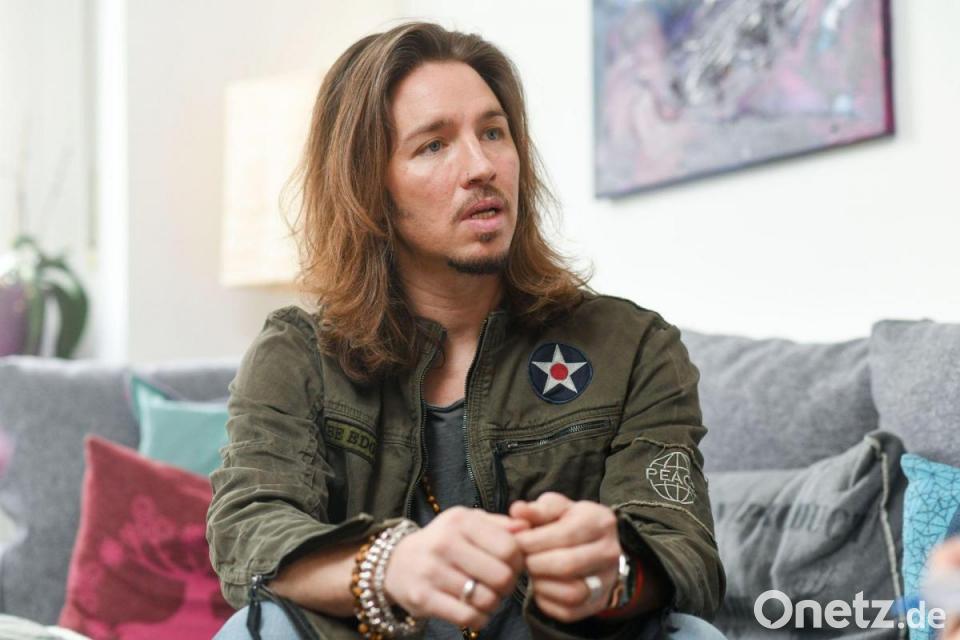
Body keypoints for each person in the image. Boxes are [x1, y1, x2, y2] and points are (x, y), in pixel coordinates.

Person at [207, 21, 726, 640]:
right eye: (433, 145)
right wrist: (387, 564)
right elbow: (249, 525)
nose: (482, 166)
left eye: (493, 132)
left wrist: (612, 571)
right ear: (369, 186)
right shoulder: (299, 354)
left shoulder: (633, 347)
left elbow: (683, 550)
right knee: (254, 628)